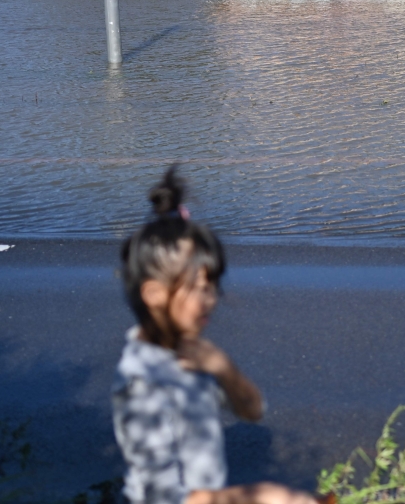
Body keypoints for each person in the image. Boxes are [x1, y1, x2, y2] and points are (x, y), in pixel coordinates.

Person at [113, 168, 317, 504]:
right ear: (154, 295)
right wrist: (260, 497)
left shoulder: (189, 353)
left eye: (212, 288)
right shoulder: (142, 382)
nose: (210, 300)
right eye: (198, 289)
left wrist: (224, 369)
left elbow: (253, 411)